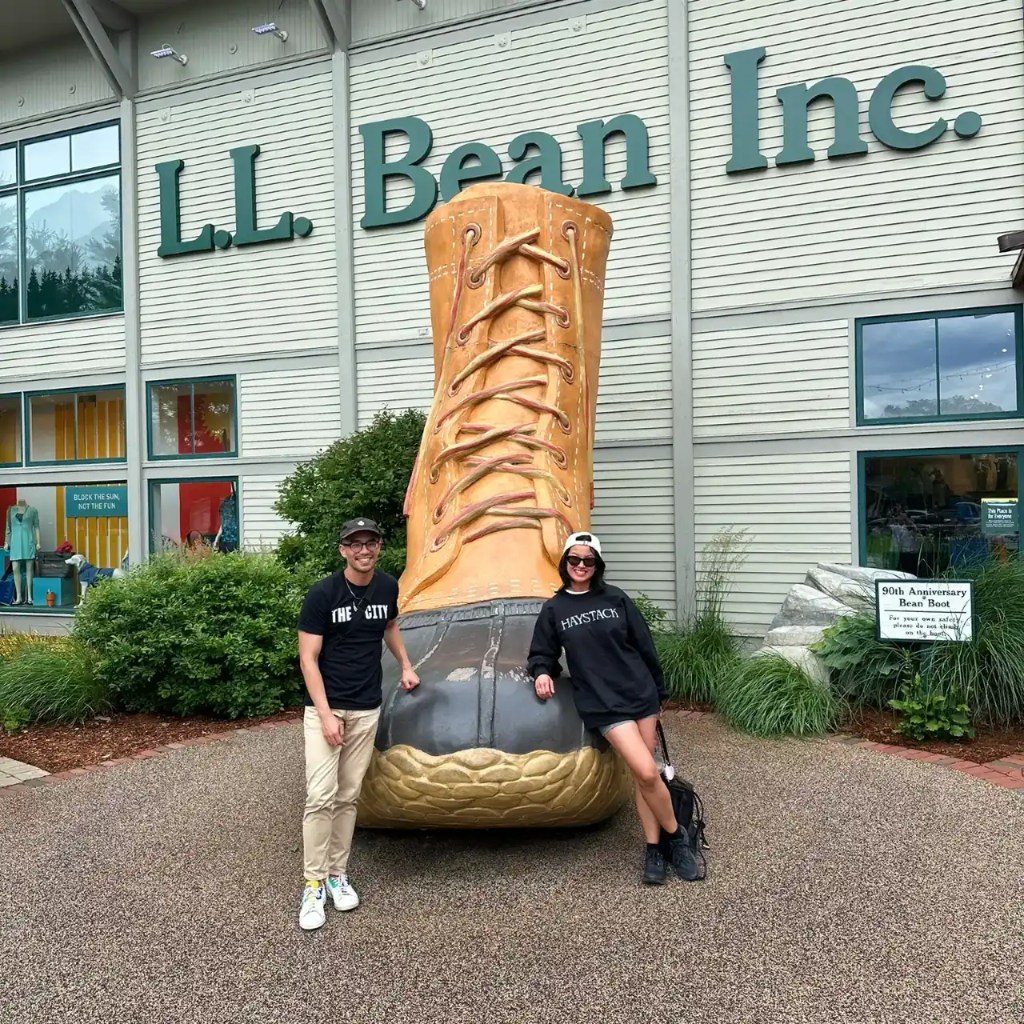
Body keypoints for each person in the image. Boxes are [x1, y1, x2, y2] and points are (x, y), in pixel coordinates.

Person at [527, 531, 701, 886]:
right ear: (565, 562)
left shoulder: (616, 598)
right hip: (604, 705)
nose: (580, 566)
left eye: (588, 561)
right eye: (574, 559)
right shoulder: (555, 609)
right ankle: (678, 837)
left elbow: (644, 645)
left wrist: (659, 693)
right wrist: (542, 672)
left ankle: (653, 849)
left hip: (640, 696)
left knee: (643, 777)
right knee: (648, 772)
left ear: (597, 565)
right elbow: (541, 652)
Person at [296, 517, 420, 931]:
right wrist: (327, 714)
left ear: (379, 547)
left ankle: (337, 874)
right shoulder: (323, 594)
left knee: (348, 796)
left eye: (370, 543)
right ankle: (313, 884)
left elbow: (388, 626)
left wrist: (405, 664)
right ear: (342, 550)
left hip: (367, 707)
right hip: (327, 710)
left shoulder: (387, 587)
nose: (363, 550)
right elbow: (308, 659)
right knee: (320, 795)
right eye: (355, 544)